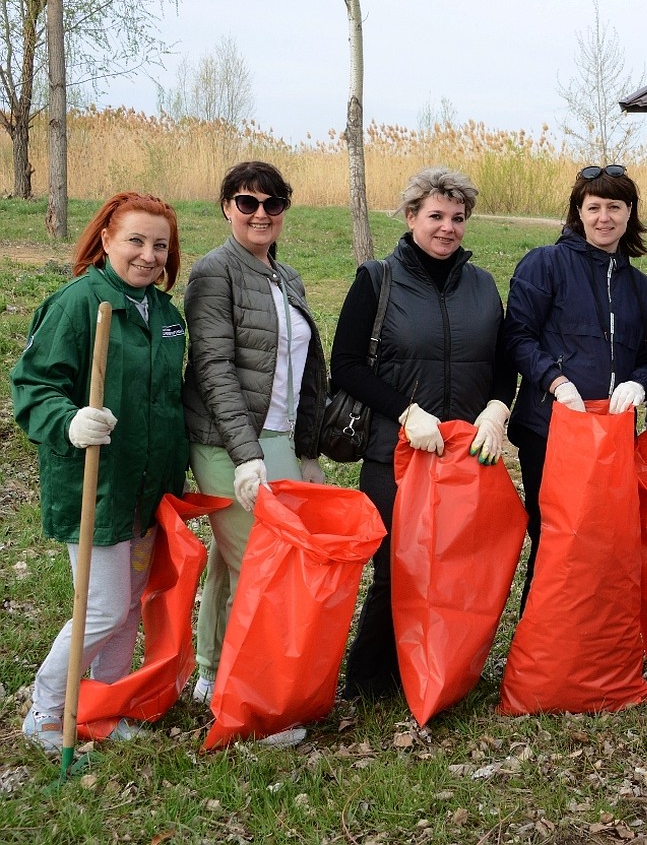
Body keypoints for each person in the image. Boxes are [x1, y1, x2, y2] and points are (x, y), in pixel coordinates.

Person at [331, 167, 516, 701]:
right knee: (398, 567)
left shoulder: (481, 284)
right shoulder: (377, 279)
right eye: (435, 216)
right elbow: (344, 365)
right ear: (411, 217)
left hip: (465, 452)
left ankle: (443, 668)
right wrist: (406, 411)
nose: (447, 228)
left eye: (457, 218)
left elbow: (504, 362)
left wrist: (498, 408)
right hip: (398, 449)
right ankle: (369, 681)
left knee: (459, 566)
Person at [11, 192, 188, 750]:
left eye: (159, 245)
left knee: (131, 603)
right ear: (107, 238)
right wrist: (68, 420)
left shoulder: (166, 315)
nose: (148, 255)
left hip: (150, 488)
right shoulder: (78, 304)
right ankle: (46, 708)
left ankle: (106, 704)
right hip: (99, 485)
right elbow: (32, 386)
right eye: (136, 240)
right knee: (103, 606)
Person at [183, 161, 326, 744]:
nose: (261, 213)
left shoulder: (285, 276)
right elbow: (213, 370)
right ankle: (256, 703)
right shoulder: (213, 273)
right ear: (226, 208)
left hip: (279, 438)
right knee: (260, 568)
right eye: (247, 203)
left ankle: (213, 669)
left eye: (272, 203)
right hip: (226, 441)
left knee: (231, 556)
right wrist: (245, 455)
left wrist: (306, 448)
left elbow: (302, 367)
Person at [503, 164, 647, 611]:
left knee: (599, 539)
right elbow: (516, 336)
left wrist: (639, 383)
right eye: (594, 207)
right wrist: (554, 380)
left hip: (611, 436)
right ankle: (539, 646)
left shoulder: (639, 287)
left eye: (615, 207)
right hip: (551, 430)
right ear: (578, 212)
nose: (604, 217)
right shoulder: (545, 264)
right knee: (554, 535)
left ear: (630, 213)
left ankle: (589, 638)